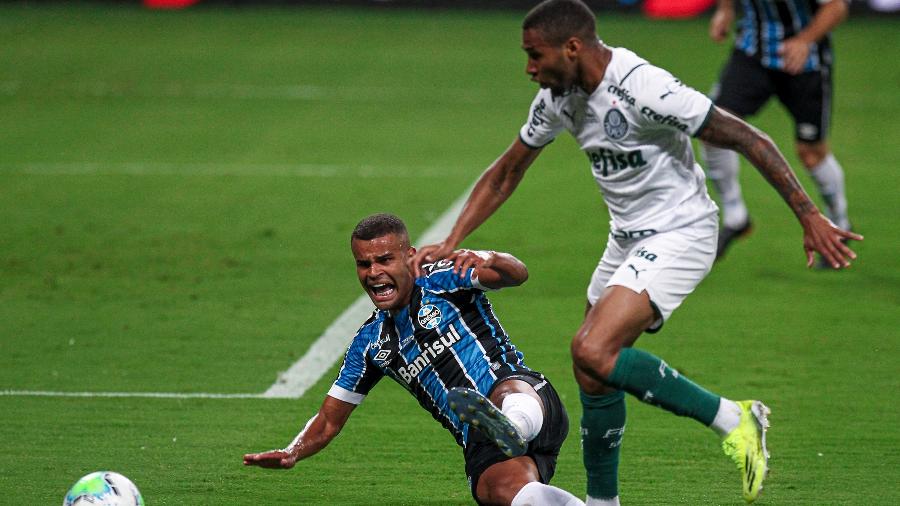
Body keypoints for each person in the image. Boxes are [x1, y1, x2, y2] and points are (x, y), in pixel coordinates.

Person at [410, 1, 862, 504]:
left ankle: (735, 419)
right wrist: (450, 242)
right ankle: (605, 502)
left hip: (682, 231)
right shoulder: (559, 98)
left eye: (535, 56)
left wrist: (808, 214)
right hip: (626, 237)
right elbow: (507, 171)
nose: (529, 69)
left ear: (573, 47)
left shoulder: (643, 87)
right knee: (591, 370)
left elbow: (747, 136)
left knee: (593, 349)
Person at [244, 213, 583, 506]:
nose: (373, 272)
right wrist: (293, 451)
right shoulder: (370, 344)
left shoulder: (441, 279)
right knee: (506, 491)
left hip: (528, 395)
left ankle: (514, 425)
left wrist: (485, 255)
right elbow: (329, 420)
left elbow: (516, 274)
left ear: (409, 257)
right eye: (364, 264)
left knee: (504, 393)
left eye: (384, 260)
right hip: (482, 440)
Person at [701, 0, 853, 261]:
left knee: (810, 152)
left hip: (805, 63)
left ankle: (839, 225)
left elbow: (836, 7)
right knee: (713, 131)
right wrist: (725, 10)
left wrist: (805, 40)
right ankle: (736, 215)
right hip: (753, 54)